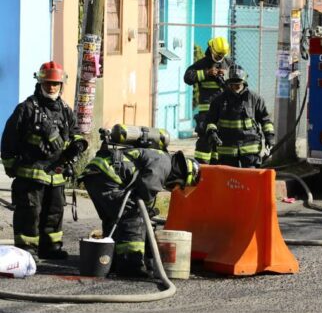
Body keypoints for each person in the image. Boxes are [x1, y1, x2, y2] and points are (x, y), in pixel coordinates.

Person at [79, 127, 201, 278]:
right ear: (181, 175)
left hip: (96, 175)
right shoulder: (164, 163)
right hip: (107, 177)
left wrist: (147, 210)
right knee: (134, 217)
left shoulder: (161, 158)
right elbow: (146, 190)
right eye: (179, 185)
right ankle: (130, 265)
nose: (175, 188)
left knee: (114, 218)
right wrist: (147, 212)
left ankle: (112, 261)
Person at [1, 61, 87, 260]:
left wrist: (78, 145)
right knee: (29, 213)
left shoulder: (65, 111)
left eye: (55, 84)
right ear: (40, 82)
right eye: (48, 83)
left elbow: (74, 135)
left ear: (61, 85)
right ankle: (27, 250)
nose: (52, 87)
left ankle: (51, 248)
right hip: (30, 175)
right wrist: (10, 165)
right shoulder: (26, 109)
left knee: (54, 212)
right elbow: (9, 139)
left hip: (56, 175)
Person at [205, 65, 275, 168]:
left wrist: (269, 136)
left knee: (250, 179)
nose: (235, 87)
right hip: (227, 149)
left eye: (238, 84)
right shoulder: (219, 100)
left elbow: (265, 120)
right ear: (228, 82)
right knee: (229, 181)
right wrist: (212, 133)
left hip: (250, 148)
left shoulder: (255, 99)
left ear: (244, 81)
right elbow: (210, 121)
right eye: (233, 84)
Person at [184, 36, 233, 164]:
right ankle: (202, 171)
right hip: (206, 113)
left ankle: (217, 170)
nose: (219, 58)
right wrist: (206, 73)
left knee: (221, 144)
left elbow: (241, 78)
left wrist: (227, 75)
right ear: (211, 49)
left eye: (221, 56)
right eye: (217, 56)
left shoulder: (228, 63)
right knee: (205, 144)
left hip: (224, 112)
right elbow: (188, 77)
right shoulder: (202, 64)